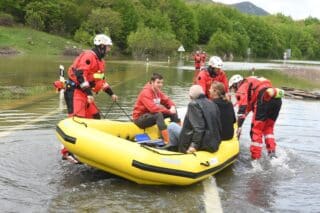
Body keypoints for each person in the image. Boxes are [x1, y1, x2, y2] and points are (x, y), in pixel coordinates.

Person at [61, 34, 118, 163]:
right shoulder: (89, 56)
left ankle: (86, 147)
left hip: (84, 93)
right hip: (75, 91)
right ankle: (67, 152)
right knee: (76, 121)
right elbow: (80, 75)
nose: (109, 50)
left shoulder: (101, 62)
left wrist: (111, 94)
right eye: (108, 47)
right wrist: (89, 93)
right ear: (102, 46)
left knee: (95, 117)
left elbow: (101, 81)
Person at [228, 74, 284, 161]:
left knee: (256, 130)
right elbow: (247, 109)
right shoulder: (252, 83)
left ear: (235, 84)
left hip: (264, 98)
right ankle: (272, 153)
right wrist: (240, 122)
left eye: (233, 89)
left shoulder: (242, 86)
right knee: (268, 129)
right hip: (276, 99)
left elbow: (242, 108)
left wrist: (238, 126)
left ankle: (255, 159)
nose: (235, 92)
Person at [167, 85, 222, 153]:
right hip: (213, 143)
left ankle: (173, 150)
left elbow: (199, 128)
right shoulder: (212, 103)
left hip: (201, 144)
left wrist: (194, 146)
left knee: (171, 126)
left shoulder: (193, 105)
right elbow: (218, 125)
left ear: (190, 97)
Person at [132, 73, 180, 143]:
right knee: (158, 114)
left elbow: (167, 101)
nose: (160, 85)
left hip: (150, 116)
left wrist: (172, 107)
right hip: (139, 119)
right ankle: (168, 141)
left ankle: (179, 135)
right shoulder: (145, 92)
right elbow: (153, 109)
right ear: (152, 82)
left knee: (173, 111)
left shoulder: (157, 91)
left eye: (161, 83)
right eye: (158, 82)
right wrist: (169, 111)